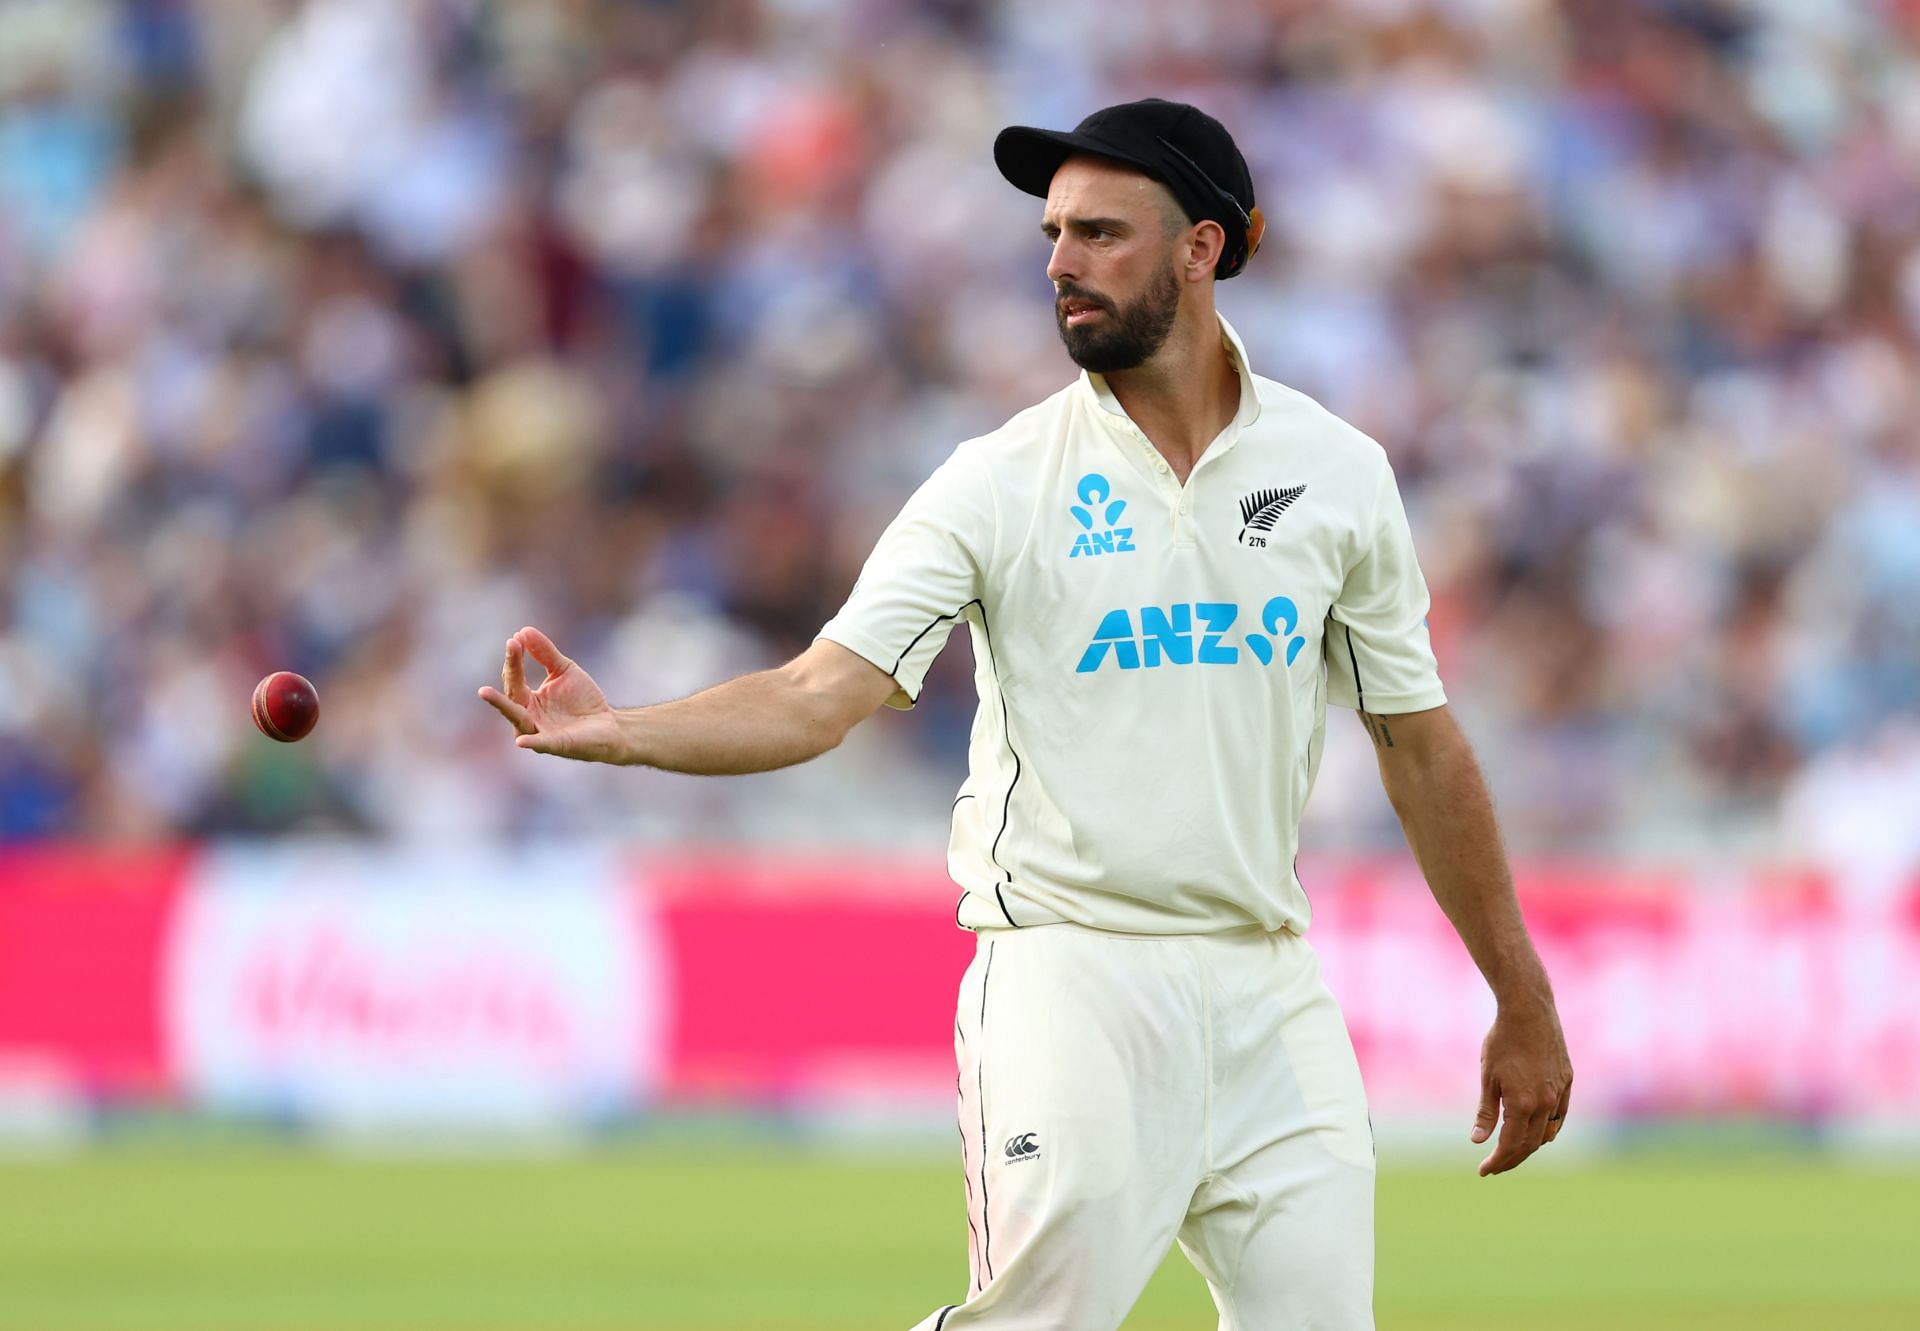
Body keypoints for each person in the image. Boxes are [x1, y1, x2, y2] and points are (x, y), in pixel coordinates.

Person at [480, 98, 1572, 1331]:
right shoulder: (997, 481)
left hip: (1269, 980)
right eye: (1053, 233)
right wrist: (625, 728)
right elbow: (816, 693)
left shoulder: (1336, 472)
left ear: (1202, 249)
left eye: (1101, 232)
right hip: (1071, 974)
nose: (1058, 261)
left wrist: (1519, 995)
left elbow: (1420, 745)